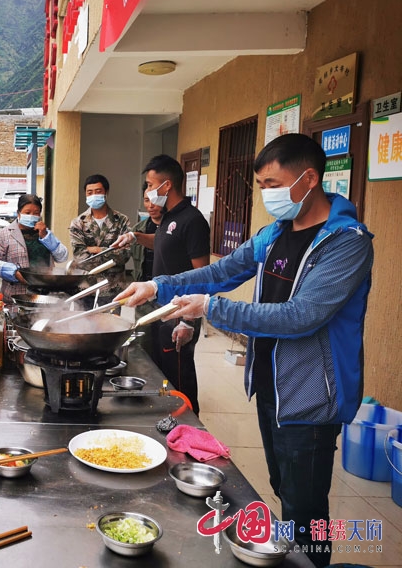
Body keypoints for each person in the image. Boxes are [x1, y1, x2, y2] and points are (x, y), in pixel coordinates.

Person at [115, 134, 374, 567]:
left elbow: (301, 316)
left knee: (305, 510)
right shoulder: (275, 233)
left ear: (308, 178)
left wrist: (212, 309)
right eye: (261, 186)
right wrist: (159, 285)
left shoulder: (346, 243)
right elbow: (223, 271)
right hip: (272, 382)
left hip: (312, 395)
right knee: (283, 488)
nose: (268, 194)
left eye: (274, 183)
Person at [113, 154, 210, 415]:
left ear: (166, 186)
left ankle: (189, 425)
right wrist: (134, 237)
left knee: (180, 376)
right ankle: (167, 423)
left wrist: (187, 321)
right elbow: (160, 242)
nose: (148, 191)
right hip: (160, 309)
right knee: (162, 372)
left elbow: (203, 275)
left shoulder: (192, 220)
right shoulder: (169, 217)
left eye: (149, 184)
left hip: (179, 314)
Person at [0, 194, 69, 304]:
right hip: (15, 295)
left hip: (45, 296)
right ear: (18, 213)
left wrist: (45, 236)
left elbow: (62, 257)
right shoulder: (5, 234)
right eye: (27, 213)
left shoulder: (45, 233)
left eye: (36, 213)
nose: (32, 216)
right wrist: (14, 273)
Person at [68, 174, 132, 297]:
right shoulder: (78, 222)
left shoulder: (122, 220)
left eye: (98, 192)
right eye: (89, 192)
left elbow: (125, 255)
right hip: (85, 287)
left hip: (113, 287)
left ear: (106, 192)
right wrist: (111, 253)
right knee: (82, 317)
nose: (93, 196)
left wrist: (97, 250)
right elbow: (80, 257)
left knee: (111, 317)